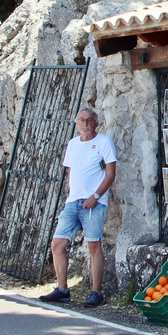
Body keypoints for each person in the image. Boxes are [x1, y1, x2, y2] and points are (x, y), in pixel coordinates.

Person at [40, 108, 117, 308]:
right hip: (73, 201)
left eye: (89, 120)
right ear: (77, 123)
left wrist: (95, 196)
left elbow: (110, 174)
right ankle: (62, 289)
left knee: (93, 246)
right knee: (57, 244)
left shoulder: (104, 143)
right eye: (81, 120)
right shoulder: (73, 144)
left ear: (96, 124)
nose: (85, 124)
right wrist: (71, 193)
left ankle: (96, 292)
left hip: (94, 202)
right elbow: (70, 171)